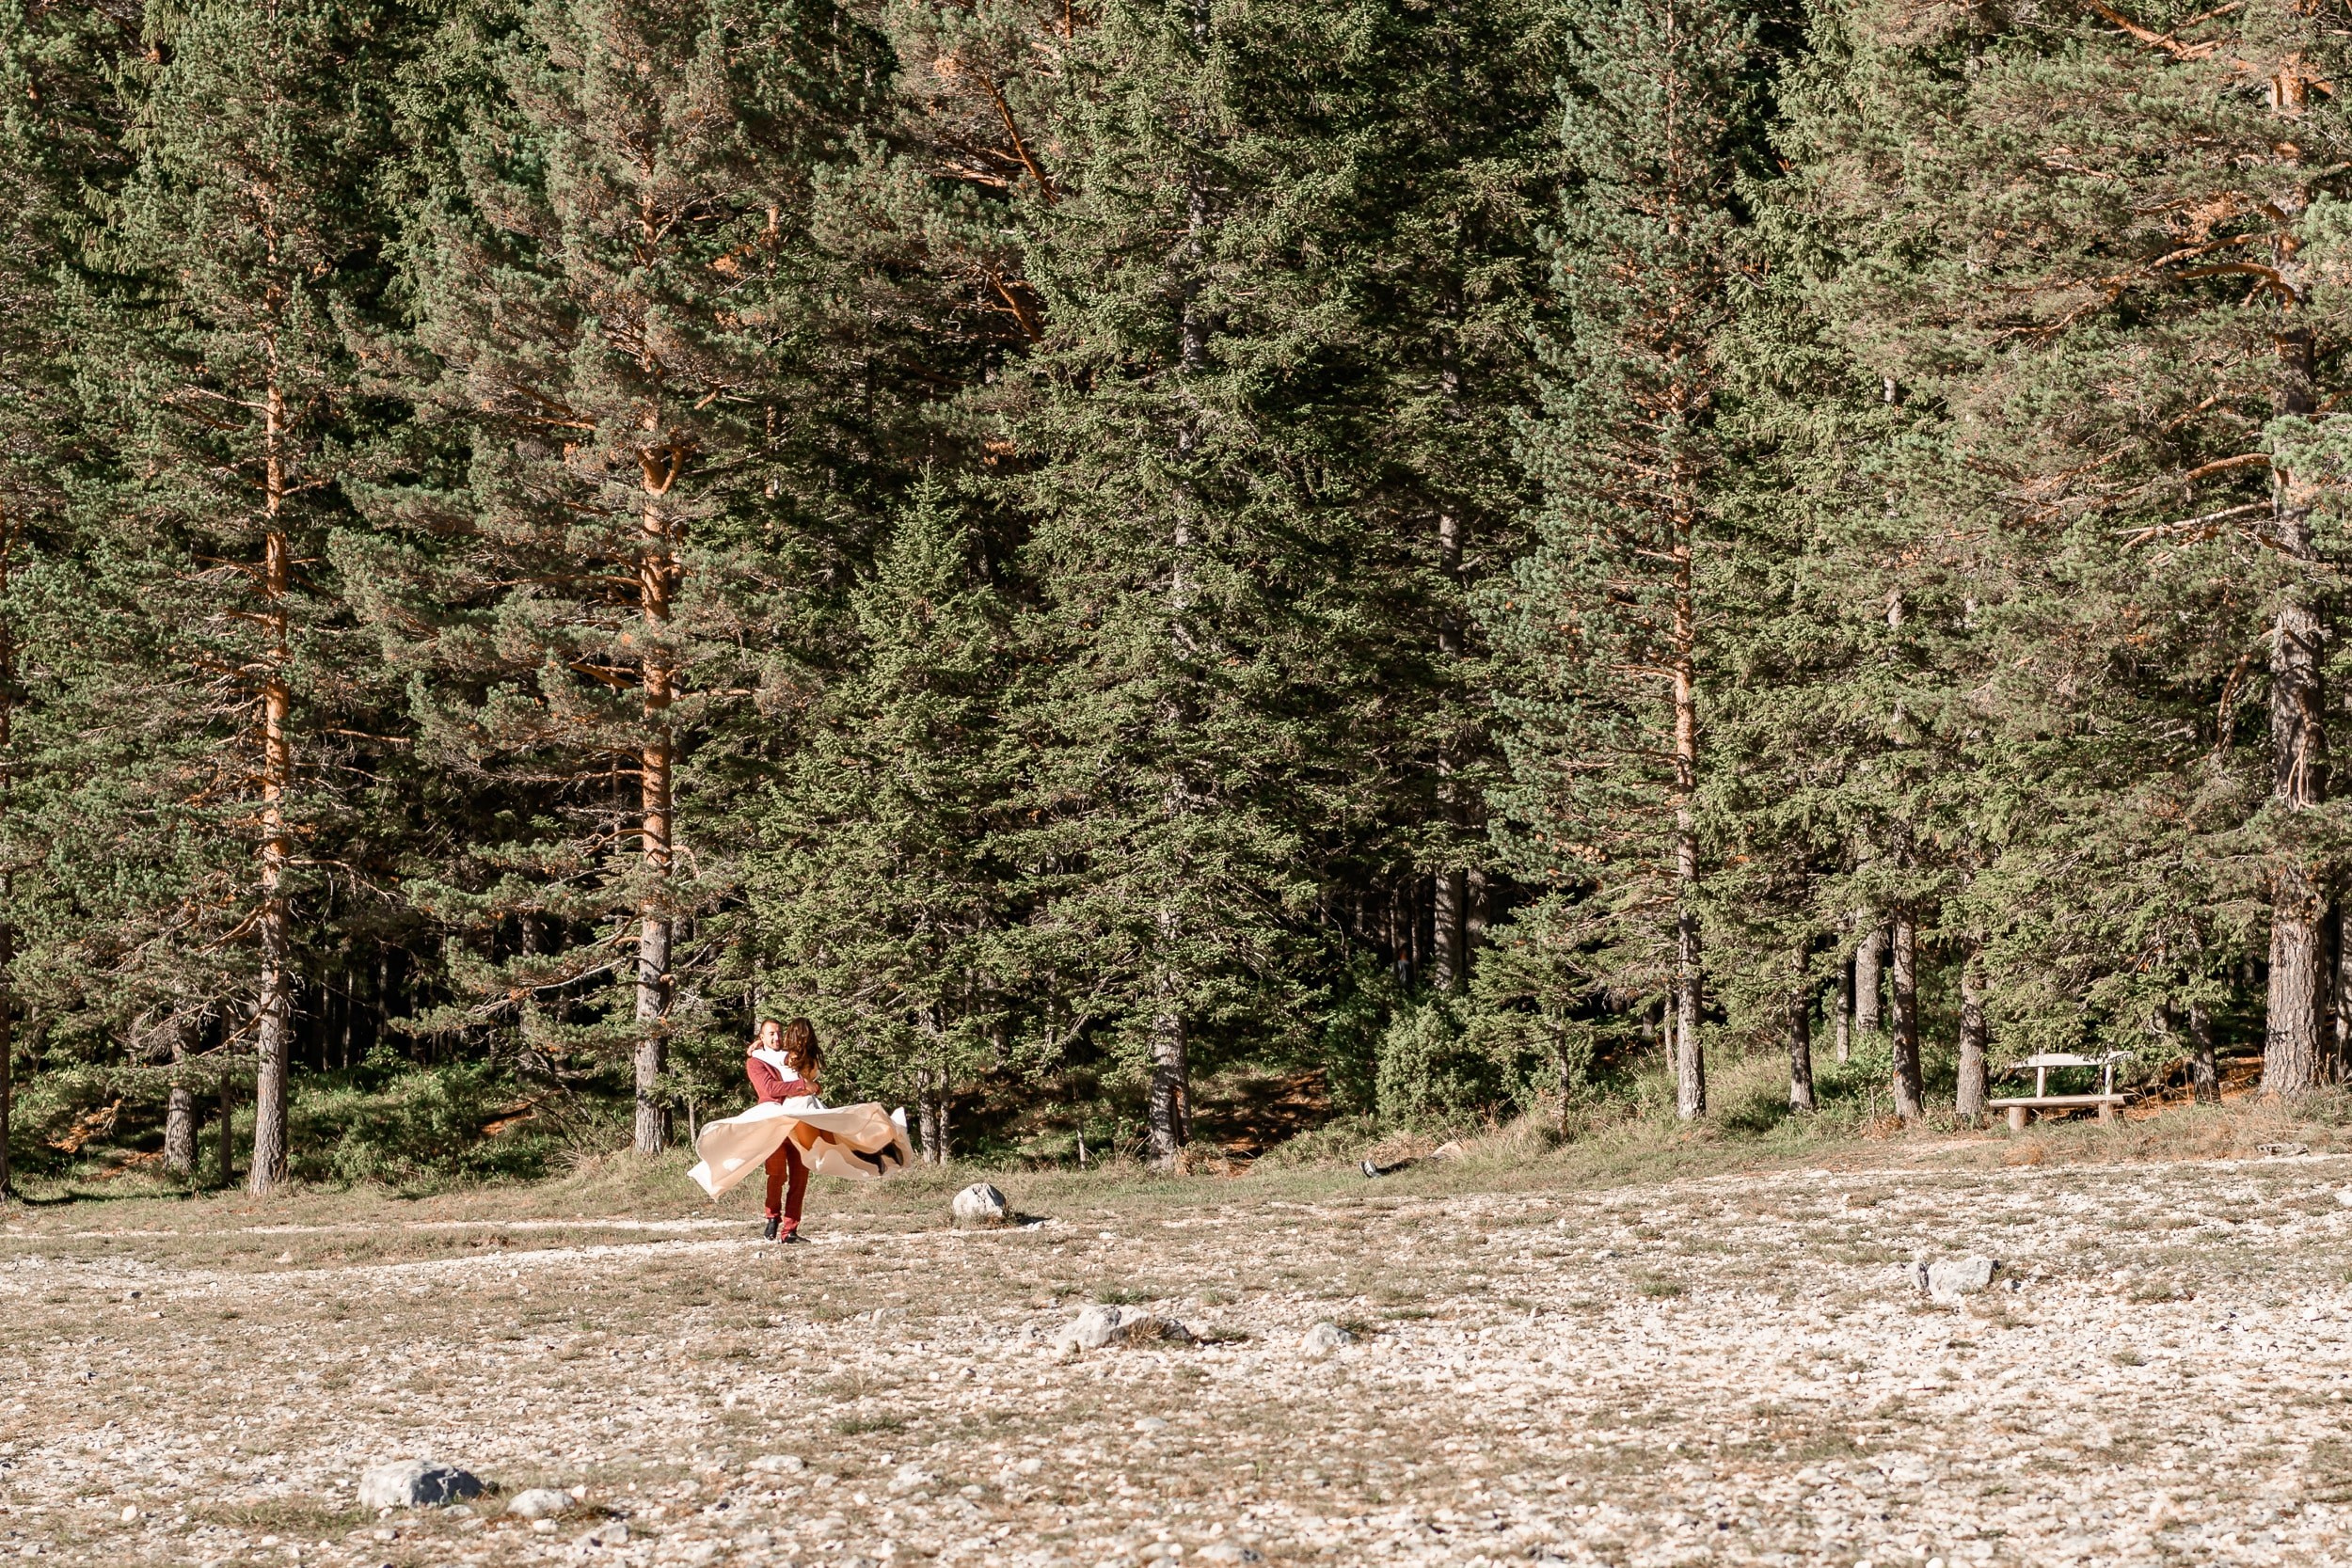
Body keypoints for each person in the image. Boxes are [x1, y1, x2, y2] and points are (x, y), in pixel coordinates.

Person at [746, 1017, 825, 1243]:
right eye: (771, 1034)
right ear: (762, 1037)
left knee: (800, 1175)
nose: (776, 1038)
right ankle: (772, 1216)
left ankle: (790, 1230)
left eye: (779, 1033)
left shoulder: (790, 1057)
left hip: (799, 1121)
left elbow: (809, 1074)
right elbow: (770, 1089)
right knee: (777, 1174)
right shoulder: (756, 1062)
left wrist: (812, 1086)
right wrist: (802, 1086)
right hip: (773, 1123)